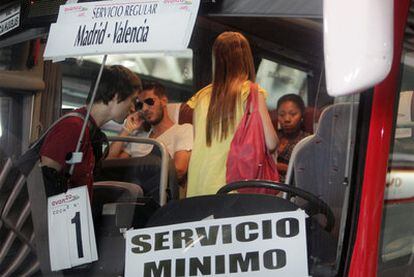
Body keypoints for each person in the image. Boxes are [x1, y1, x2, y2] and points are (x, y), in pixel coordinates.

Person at [186, 31, 278, 197]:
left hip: (198, 185)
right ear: (246, 58)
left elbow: (197, 142)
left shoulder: (200, 97)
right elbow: (271, 142)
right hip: (231, 187)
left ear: (216, 60)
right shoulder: (250, 93)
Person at [40, 65, 142, 197]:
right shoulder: (72, 128)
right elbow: (44, 183)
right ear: (116, 96)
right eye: (133, 100)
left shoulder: (89, 130)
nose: (133, 108)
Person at [108, 81, 193, 184]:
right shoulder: (139, 137)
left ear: (163, 101)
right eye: (140, 105)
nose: (144, 109)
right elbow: (110, 163)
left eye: (149, 102)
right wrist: (126, 130)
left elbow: (179, 169)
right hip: (129, 190)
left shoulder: (183, 130)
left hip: (154, 193)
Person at [276, 94, 310, 182]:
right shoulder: (272, 138)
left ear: (302, 115)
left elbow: (308, 171)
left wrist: (282, 167)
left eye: (293, 114)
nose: (287, 119)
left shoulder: (307, 141)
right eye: (282, 114)